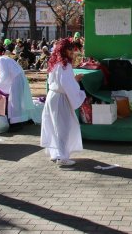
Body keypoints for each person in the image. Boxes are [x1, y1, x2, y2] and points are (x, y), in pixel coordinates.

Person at [40, 38, 86, 167]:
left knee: (55, 126)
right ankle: (63, 157)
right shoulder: (65, 64)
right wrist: (76, 83)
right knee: (63, 128)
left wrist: (73, 80)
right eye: (69, 49)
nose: (72, 52)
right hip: (60, 98)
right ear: (63, 50)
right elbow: (66, 84)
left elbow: (57, 81)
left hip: (53, 96)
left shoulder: (55, 62)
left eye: (73, 49)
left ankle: (56, 153)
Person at [0, 48, 35, 128]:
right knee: (21, 100)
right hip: (19, 77)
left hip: (16, 79)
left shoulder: (0, 60)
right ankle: (27, 119)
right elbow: (7, 74)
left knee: (14, 101)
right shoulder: (5, 58)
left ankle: (16, 124)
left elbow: (4, 75)